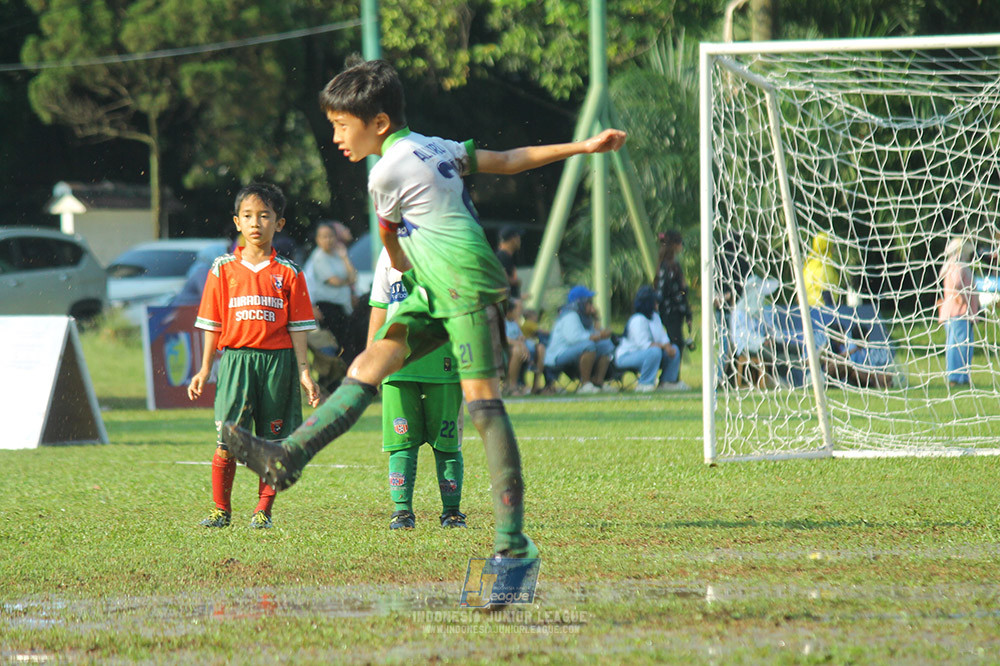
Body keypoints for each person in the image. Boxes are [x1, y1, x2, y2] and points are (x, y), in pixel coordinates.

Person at [221, 58, 627, 561]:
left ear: (379, 123)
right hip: (434, 282)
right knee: (368, 364)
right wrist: (583, 146)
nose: (336, 137)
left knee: (482, 403)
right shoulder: (438, 147)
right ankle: (288, 458)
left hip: (460, 278)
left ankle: (512, 540)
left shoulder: (384, 173)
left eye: (341, 126)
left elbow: (392, 252)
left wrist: (404, 268)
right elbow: (507, 159)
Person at [188, 183, 321, 529]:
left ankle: (263, 511)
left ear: (279, 223)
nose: (255, 223)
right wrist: (204, 369)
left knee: (272, 443)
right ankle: (221, 510)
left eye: (264, 216)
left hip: (277, 364)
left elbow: (298, 328)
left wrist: (304, 372)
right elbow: (211, 322)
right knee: (228, 439)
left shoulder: (290, 272)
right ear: (237, 222)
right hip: (236, 362)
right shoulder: (221, 269)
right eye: (248, 216)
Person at [369, 247, 466, 530]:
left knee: (447, 443)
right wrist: (371, 359)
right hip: (398, 363)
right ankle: (402, 512)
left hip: (444, 361)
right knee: (402, 442)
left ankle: (452, 512)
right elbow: (379, 306)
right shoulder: (388, 253)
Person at [303, 221, 360, 364]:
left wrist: (344, 256)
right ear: (317, 239)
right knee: (335, 345)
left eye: (330, 236)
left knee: (348, 343)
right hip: (327, 308)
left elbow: (353, 276)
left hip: (343, 307)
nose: (328, 240)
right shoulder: (318, 257)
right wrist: (348, 281)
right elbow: (334, 281)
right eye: (324, 237)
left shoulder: (337, 255)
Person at [544, 285, 618, 394]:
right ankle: (585, 384)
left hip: (572, 350)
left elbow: (593, 332)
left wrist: (596, 318)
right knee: (589, 346)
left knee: (606, 345)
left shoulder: (584, 317)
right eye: (589, 302)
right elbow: (574, 338)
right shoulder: (570, 315)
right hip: (558, 354)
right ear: (581, 303)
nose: (592, 305)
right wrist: (598, 336)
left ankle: (598, 382)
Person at [615, 285, 686, 392]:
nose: (657, 304)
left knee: (674, 349)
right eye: (655, 302)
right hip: (627, 356)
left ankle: (667, 382)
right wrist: (663, 347)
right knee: (654, 352)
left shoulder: (655, 317)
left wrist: (668, 347)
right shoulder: (637, 320)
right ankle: (645, 384)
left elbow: (663, 338)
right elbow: (644, 345)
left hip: (650, 352)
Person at [939, 237, 980, 387]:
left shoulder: (951, 264)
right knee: (960, 344)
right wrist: (962, 298)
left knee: (960, 344)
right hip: (959, 311)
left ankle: (960, 376)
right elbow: (957, 283)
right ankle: (957, 377)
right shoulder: (959, 264)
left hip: (957, 311)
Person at [655, 230, 693, 365]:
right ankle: (671, 377)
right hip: (671, 311)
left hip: (672, 310)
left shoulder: (667, 265)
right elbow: (669, 291)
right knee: (675, 342)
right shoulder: (669, 267)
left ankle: (673, 376)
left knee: (676, 341)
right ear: (675, 245)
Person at [804, 232, 840, 308]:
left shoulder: (809, 264)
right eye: (831, 246)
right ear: (827, 247)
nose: (833, 249)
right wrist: (831, 309)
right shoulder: (824, 265)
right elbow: (825, 288)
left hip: (807, 308)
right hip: (821, 307)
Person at [495, 225, 523, 299]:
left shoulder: (504, 256)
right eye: (518, 237)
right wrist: (515, 281)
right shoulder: (502, 256)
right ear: (513, 239)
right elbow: (500, 278)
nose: (519, 240)